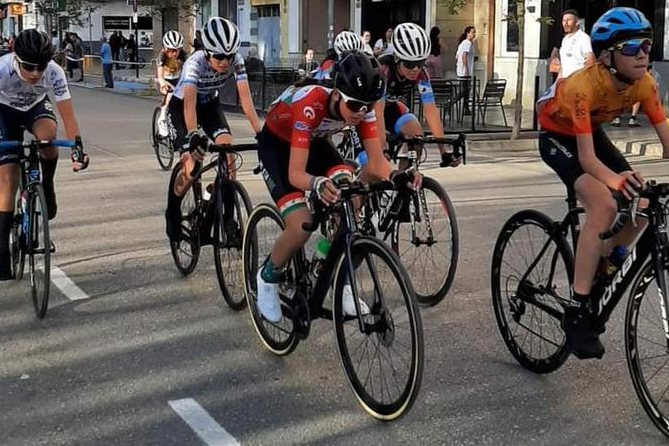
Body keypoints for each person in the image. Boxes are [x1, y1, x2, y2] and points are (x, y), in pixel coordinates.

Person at [536, 7, 669, 359]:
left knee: (645, 202)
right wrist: (615, 181)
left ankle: (607, 259)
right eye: (631, 47)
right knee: (604, 203)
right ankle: (579, 308)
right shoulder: (584, 86)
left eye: (647, 45)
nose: (643, 54)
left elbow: (668, 141)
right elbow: (586, 160)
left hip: (590, 135)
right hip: (558, 137)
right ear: (607, 55)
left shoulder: (644, 83)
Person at [254, 51, 423, 322]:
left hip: (317, 142)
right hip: (277, 146)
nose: (362, 113)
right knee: (301, 226)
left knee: (351, 195)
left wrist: (398, 177)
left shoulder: (361, 109)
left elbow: (378, 162)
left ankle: (330, 268)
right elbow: (297, 174)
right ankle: (267, 276)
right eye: (355, 106)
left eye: (368, 106)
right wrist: (317, 182)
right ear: (336, 94)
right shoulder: (310, 104)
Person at [0, 29, 90, 281]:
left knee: (48, 136)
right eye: (30, 67)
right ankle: (2, 249)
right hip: (5, 112)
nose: (36, 74)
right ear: (16, 59)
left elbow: (68, 116)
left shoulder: (54, 72)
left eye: (41, 67)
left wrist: (76, 149)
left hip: (35, 106)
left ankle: (47, 185)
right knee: (8, 179)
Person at [165, 17, 262, 241]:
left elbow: (246, 101)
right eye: (219, 56)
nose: (225, 61)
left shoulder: (237, 61)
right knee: (192, 165)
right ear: (207, 52)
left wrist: (261, 133)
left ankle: (229, 217)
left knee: (228, 152)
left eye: (229, 55)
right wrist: (192, 137)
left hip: (209, 106)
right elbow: (189, 105)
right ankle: (172, 212)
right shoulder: (194, 63)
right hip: (182, 108)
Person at [377, 22, 460, 168]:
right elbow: (377, 113)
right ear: (397, 59)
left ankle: (404, 182)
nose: (415, 69)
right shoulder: (384, 69)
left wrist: (444, 152)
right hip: (368, 111)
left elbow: (431, 112)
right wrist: (383, 147)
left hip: (391, 108)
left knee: (416, 137)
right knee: (378, 161)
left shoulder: (421, 75)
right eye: (409, 64)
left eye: (420, 62)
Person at [154, 30, 187, 135]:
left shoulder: (184, 55)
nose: (174, 53)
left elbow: (189, 70)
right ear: (166, 48)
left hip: (177, 78)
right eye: (171, 50)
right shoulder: (162, 55)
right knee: (170, 91)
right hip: (163, 78)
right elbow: (160, 75)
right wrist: (163, 83)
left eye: (177, 50)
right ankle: (162, 118)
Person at [558, 9, 595, 79]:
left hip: (579, 83)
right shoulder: (565, 40)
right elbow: (563, 65)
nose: (566, 23)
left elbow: (590, 61)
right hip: (565, 83)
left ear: (577, 22)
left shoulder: (584, 38)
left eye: (569, 20)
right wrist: (558, 82)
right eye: (564, 20)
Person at [455, 26, 476, 115]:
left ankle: (466, 109)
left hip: (461, 71)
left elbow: (456, 57)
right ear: (468, 33)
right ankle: (451, 102)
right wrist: (466, 68)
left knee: (466, 91)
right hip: (465, 72)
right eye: (472, 32)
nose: (474, 34)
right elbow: (464, 56)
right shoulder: (467, 43)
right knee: (465, 90)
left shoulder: (462, 43)